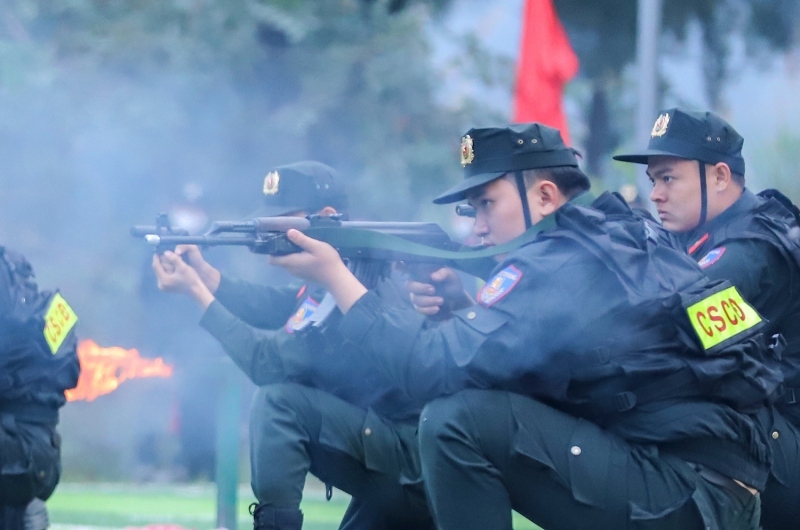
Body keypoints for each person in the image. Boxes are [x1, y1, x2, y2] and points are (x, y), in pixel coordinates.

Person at [269, 123, 782, 530]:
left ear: (543, 196)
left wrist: (335, 276)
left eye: (487, 204)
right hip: (709, 484)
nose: (478, 227)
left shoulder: (560, 262)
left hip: (688, 491)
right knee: (465, 411)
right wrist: (458, 311)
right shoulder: (601, 241)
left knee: (455, 420)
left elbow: (431, 369)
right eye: (471, 211)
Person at [153, 161, 435, 530]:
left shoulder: (353, 282)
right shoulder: (345, 272)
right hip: (404, 458)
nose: (273, 232)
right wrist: (208, 278)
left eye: (285, 219)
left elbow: (265, 363)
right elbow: (280, 304)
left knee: (279, 403)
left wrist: (196, 292)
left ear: (327, 217)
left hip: (413, 468)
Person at [613, 107, 800, 530]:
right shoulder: (700, 238)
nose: (656, 194)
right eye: (653, 181)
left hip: (783, 446)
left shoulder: (752, 248)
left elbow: (669, 326)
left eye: (668, 178)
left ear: (718, 177)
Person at [0, 246, 80, 530]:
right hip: (43, 459)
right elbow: (71, 373)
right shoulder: (54, 311)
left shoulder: (14, 331)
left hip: (14, 458)